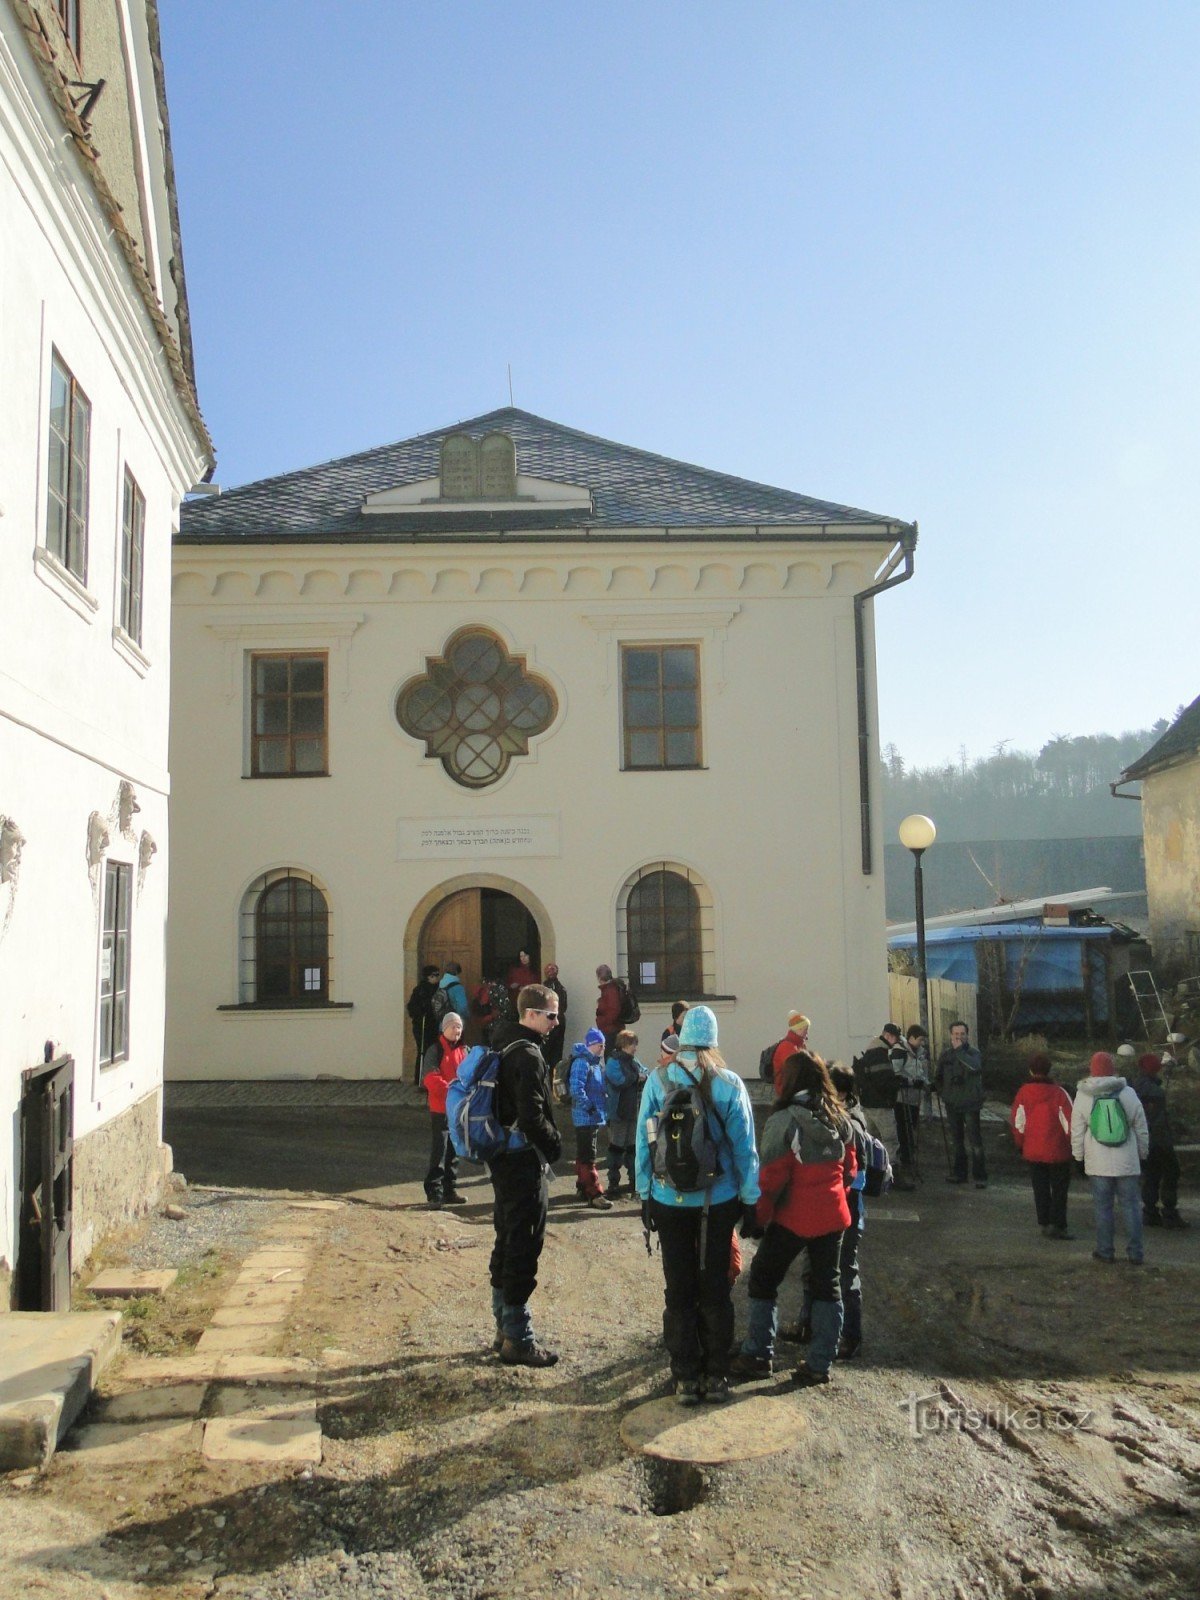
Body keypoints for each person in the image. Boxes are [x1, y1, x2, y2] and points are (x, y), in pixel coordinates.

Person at [635, 1005, 760, 1405]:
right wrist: (750, 1198)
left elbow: (644, 1141)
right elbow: (745, 1149)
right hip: (717, 1200)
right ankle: (715, 1375)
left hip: (668, 1200)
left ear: (682, 1036)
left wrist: (643, 1194)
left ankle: (685, 1377)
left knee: (679, 1287)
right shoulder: (728, 1082)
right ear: (714, 1039)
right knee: (715, 1290)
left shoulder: (658, 1079)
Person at [730, 1051, 855, 1388]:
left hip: (795, 1216)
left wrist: (756, 1219)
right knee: (828, 1285)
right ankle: (820, 1363)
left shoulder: (785, 1120)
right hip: (833, 1214)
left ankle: (758, 1354)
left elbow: (770, 1179)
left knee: (764, 1278)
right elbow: (850, 1168)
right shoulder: (838, 1115)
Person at [487, 983, 564, 1366]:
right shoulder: (528, 1056)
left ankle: (502, 1326)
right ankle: (518, 1337)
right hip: (521, 1161)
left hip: (502, 1157)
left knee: (506, 1235)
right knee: (523, 1241)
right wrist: (555, 1147)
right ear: (531, 1015)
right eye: (551, 1014)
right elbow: (532, 1117)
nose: (556, 1021)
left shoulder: (502, 1043)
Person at [783, 1063, 869, 1356]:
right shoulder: (841, 1115)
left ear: (838, 1091)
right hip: (833, 1203)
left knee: (843, 1270)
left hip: (847, 1204)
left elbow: (853, 1171)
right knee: (813, 1266)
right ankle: (807, 1323)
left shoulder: (850, 1122)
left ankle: (850, 1336)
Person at [1071, 1050, 1150, 1265]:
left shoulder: (1083, 1095)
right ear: (1113, 1069)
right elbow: (1141, 1127)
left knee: (1103, 1208)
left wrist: (1078, 1156)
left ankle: (1106, 1251)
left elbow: (1076, 1130)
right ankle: (1135, 1253)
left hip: (1098, 1163)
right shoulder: (1129, 1093)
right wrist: (1142, 1153)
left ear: (1092, 1070)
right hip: (1127, 1161)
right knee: (1131, 1206)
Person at [1009, 1054, 1074, 1239]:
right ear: (1049, 1070)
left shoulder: (1023, 1092)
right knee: (1060, 1189)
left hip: (1033, 1149)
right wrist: (1074, 1147)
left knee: (1040, 1187)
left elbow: (1018, 1122)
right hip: (1058, 1149)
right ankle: (1058, 1224)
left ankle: (1044, 1221)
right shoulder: (1059, 1093)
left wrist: (1020, 1144)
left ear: (1030, 1070)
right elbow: (1069, 1123)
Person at [1132, 1052, 1187, 1229]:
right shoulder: (1155, 1092)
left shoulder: (1135, 1088)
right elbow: (1160, 1118)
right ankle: (1170, 1213)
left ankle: (1150, 1212)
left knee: (1151, 1176)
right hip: (1160, 1140)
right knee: (1172, 1173)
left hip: (1144, 1140)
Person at [420, 1012, 468, 1208]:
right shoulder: (435, 1050)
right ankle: (434, 1191)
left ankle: (450, 1189)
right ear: (444, 1028)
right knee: (440, 1149)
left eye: (459, 1027)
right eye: (453, 1026)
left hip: (458, 1109)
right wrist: (454, 1091)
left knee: (455, 1151)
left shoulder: (464, 1050)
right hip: (441, 1108)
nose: (457, 1030)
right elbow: (430, 1078)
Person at [934, 1021, 987, 1187]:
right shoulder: (946, 1055)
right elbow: (938, 1076)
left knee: (975, 1142)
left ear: (967, 1035)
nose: (959, 1037)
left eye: (962, 1034)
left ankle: (980, 1177)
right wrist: (943, 1093)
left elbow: (975, 1067)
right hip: (952, 1104)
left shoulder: (973, 1053)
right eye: (956, 1034)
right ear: (951, 1035)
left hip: (970, 1104)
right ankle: (959, 1174)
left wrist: (959, 1051)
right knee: (957, 1141)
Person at [568, 1028, 613, 1208]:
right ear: (591, 1044)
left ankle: (582, 1186)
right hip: (585, 1117)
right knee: (589, 1156)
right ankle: (594, 1193)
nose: (602, 1049)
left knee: (584, 1154)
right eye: (600, 1045)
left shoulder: (594, 1063)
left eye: (603, 1045)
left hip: (591, 1116)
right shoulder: (582, 1063)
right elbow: (576, 1090)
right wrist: (590, 1107)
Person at [604, 1029, 647, 1198]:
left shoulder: (633, 1061)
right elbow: (619, 1080)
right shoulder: (613, 1061)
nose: (635, 1047)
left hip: (632, 1111)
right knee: (616, 1147)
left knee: (632, 1147)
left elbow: (646, 1073)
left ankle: (633, 1180)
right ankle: (613, 1182)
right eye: (632, 1044)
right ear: (624, 1044)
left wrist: (639, 1076)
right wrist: (637, 1078)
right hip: (619, 1112)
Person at [406, 964, 441, 1081]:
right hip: (422, 1025)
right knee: (423, 1051)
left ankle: (432, 1077)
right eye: (434, 975)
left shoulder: (439, 989)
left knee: (434, 1051)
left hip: (434, 1025)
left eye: (437, 975)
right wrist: (421, 1012)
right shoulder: (420, 990)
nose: (436, 978)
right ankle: (420, 1078)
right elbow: (411, 1007)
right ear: (427, 977)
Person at [770, 1011, 812, 1097]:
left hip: (793, 1088)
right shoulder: (787, 1046)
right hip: (789, 1090)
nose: (807, 1033)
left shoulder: (798, 1044)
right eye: (806, 1030)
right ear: (798, 1029)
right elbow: (795, 1070)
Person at [543, 962, 568, 1070]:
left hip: (550, 1022)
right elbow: (564, 1006)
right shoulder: (561, 988)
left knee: (548, 1052)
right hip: (559, 1021)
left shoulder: (545, 988)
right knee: (556, 1053)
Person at [595, 964, 623, 1050]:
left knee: (610, 1057)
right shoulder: (611, 989)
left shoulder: (610, 990)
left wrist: (602, 1021)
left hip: (611, 1030)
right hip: (612, 1029)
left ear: (599, 977)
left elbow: (613, 1011)